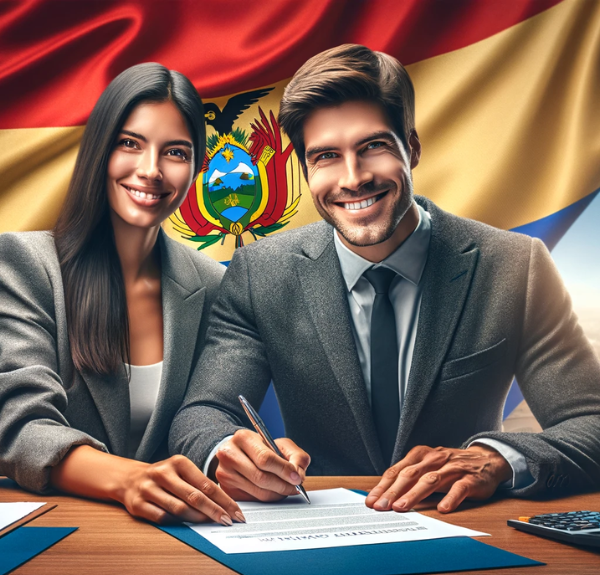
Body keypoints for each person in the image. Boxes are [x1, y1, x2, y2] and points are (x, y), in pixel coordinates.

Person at [169, 45, 600, 512]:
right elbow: (201, 416)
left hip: (466, 533)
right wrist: (224, 451)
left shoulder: (516, 265)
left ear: (411, 148)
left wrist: (495, 457)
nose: (352, 179)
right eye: (326, 156)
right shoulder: (259, 273)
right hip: (317, 537)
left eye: (372, 146)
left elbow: (590, 421)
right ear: (305, 168)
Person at [0, 63, 244, 526]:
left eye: (175, 152)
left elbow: (207, 420)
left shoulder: (213, 284)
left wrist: (242, 450)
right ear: (99, 149)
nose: (150, 170)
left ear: (198, 167)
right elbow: (20, 428)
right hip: (59, 532)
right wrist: (128, 479)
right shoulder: (25, 264)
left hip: (181, 537)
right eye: (130, 144)